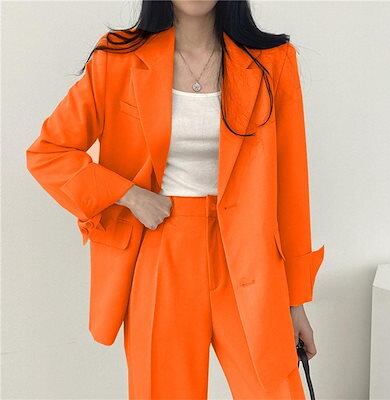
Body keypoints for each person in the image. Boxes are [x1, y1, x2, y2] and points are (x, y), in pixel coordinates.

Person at [26, 1, 325, 399]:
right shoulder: (118, 58)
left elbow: (291, 187)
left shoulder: (273, 61)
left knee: (275, 390)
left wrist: (295, 301)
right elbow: (49, 153)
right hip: (162, 250)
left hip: (250, 256)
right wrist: (129, 195)